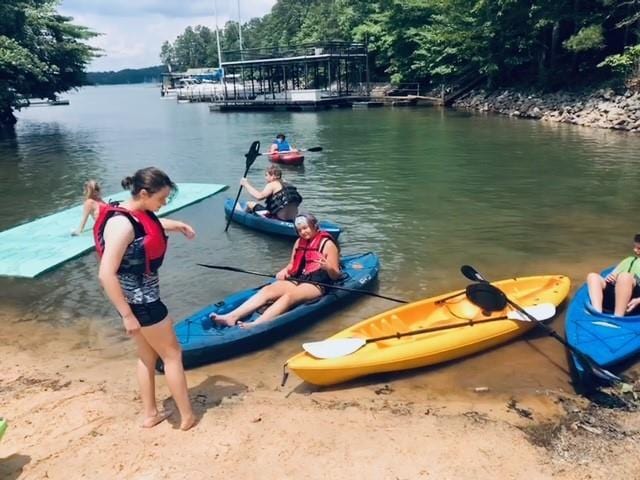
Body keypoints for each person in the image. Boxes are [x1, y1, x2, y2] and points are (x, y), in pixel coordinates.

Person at [94, 167, 196, 430]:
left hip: (133, 302)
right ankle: (186, 417)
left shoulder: (130, 213)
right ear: (143, 193)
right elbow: (106, 274)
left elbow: (147, 226)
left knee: (146, 357)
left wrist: (177, 225)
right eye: (161, 199)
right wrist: (127, 316)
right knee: (172, 355)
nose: (162, 205)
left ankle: (150, 414)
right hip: (142, 304)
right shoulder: (121, 225)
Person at [211, 213, 341, 329]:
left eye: (305, 228)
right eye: (300, 230)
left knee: (289, 296)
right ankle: (231, 317)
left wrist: (328, 267)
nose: (303, 232)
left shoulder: (327, 244)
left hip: (317, 283)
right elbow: (292, 264)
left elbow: (335, 276)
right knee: (267, 290)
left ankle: (257, 324)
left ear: (314, 226)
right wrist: (284, 271)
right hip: (299, 278)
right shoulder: (299, 242)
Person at [586, 233, 640, 316]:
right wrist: (611, 277)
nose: (635, 250)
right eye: (635, 247)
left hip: (634, 301)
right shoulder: (629, 260)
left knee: (625, 277)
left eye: (639, 248)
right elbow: (612, 275)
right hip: (617, 294)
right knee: (592, 276)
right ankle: (597, 312)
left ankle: (618, 317)